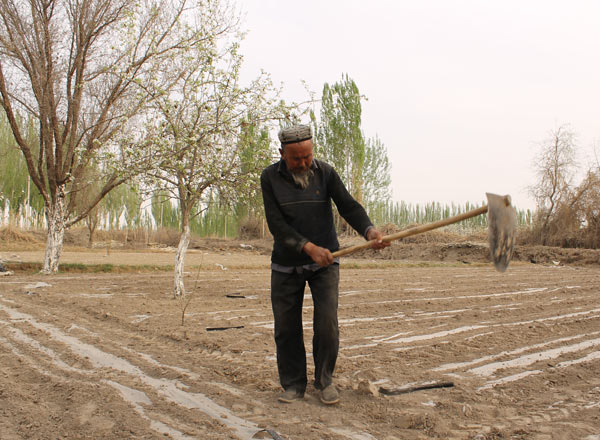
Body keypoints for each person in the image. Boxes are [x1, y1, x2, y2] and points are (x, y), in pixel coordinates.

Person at [260, 124, 389, 405]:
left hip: (326, 263)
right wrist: (309, 248)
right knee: (286, 327)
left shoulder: (326, 172)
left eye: (307, 156)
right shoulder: (269, 177)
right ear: (282, 153)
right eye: (296, 158)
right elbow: (276, 225)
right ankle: (293, 385)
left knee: (327, 324)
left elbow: (348, 206)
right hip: (286, 264)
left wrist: (369, 232)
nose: (303, 163)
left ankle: (324, 382)